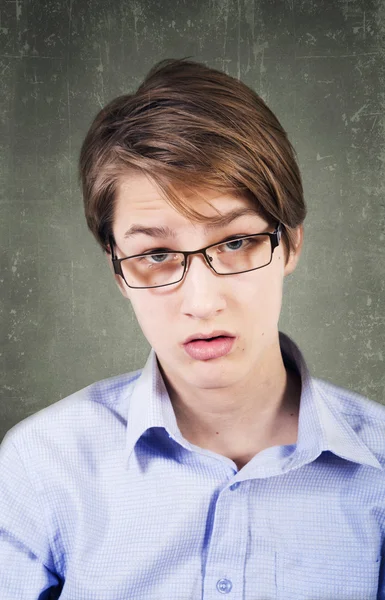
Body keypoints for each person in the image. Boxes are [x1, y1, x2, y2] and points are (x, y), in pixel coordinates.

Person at [0, 57, 384, 600]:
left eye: (235, 242)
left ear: (291, 243)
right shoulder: (40, 466)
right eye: (155, 253)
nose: (202, 302)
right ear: (117, 269)